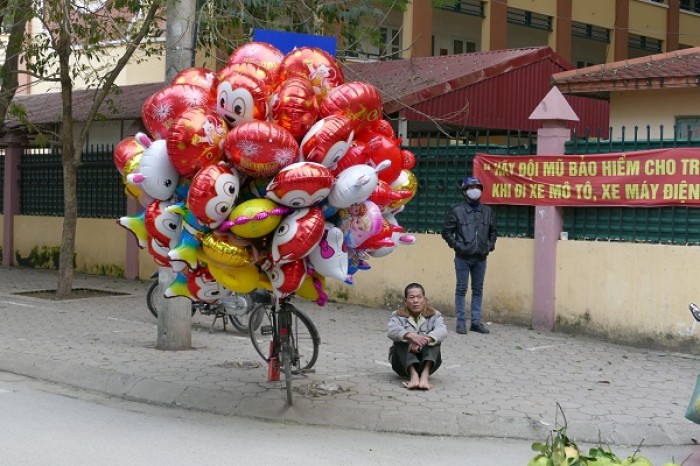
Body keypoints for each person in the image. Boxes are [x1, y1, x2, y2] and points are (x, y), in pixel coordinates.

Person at [441, 176, 497, 335]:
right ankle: (460, 322)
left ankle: (476, 322)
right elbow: (446, 232)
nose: (475, 190)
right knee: (461, 289)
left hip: (481, 257)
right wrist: (459, 246)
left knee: (478, 289)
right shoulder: (457, 210)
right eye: (472, 187)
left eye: (478, 187)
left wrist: (489, 246)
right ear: (465, 191)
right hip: (463, 258)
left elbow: (493, 232)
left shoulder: (487, 211)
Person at [387, 283, 448, 390]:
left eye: (419, 297)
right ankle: (413, 376)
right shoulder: (397, 315)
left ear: (424, 300)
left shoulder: (435, 315)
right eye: (411, 297)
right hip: (402, 365)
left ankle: (424, 377)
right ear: (405, 301)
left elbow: (442, 331)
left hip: (428, 363)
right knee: (401, 338)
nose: (416, 301)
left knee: (434, 338)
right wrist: (411, 336)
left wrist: (425, 340)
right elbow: (391, 330)